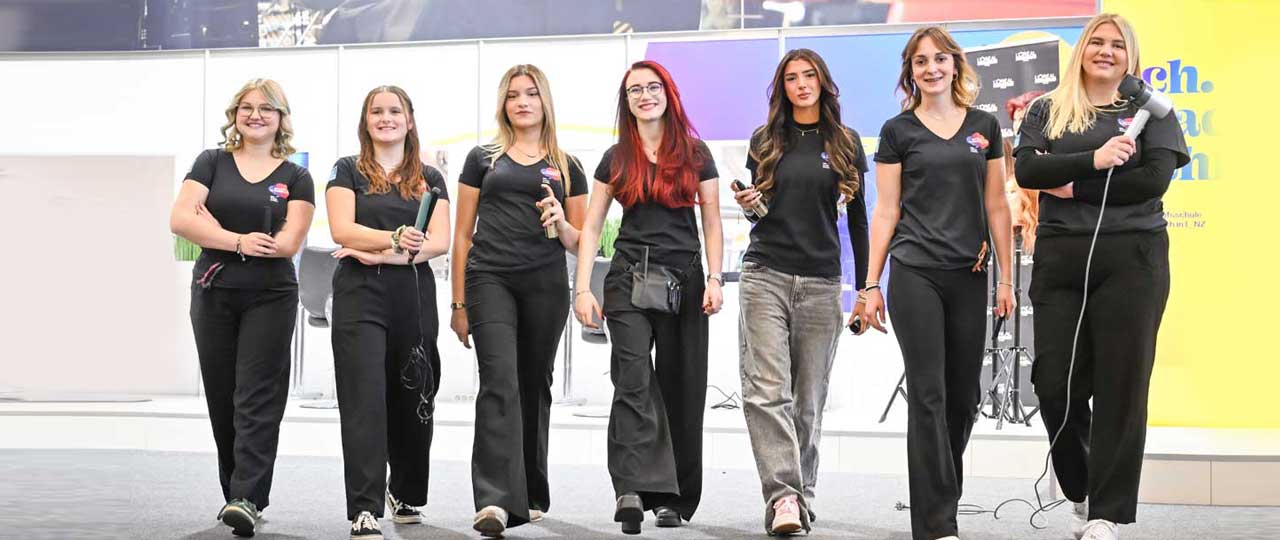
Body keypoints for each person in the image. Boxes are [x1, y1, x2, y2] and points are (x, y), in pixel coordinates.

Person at [1013, 13, 1189, 540]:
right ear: (1082, 49)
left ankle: (1106, 513)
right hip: (1061, 258)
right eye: (1097, 42)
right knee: (1053, 384)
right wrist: (1094, 159)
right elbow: (1028, 171)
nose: (1106, 51)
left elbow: (1152, 181)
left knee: (1121, 386)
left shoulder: (1153, 112)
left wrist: (1071, 185)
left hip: (1134, 258)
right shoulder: (1047, 109)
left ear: (1130, 56)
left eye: (1117, 44)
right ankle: (1082, 486)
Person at [860, 26, 1015, 540]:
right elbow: (886, 210)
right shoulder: (897, 131)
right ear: (911, 72)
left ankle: (941, 491)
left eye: (939, 59)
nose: (931, 68)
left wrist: (1005, 279)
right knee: (928, 393)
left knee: (963, 398)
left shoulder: (985, 126)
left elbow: (997, 205)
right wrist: (871, 284)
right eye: (920, 61)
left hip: (969, 275)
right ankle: (936, 522)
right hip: (914, 273)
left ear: (955, 65)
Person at [573, 60, 723, 535]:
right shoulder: (616, 158)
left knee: (682, 385)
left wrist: (716, 278)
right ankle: (632, 489)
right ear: (627, 101)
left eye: (652, 87)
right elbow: (592, 226)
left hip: (685, 282)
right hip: (627, 278)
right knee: (633, 379)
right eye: (634, 90)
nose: (644, 95)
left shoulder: (696, 154)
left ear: (668, 93)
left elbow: (712, 221)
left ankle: (673, 497)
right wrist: (582, 288)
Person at [169, 78, 315, 538]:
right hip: (214, 291)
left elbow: (288, 242)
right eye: (246, 107)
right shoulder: (210, 162)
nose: (256, 115)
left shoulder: (296, 177)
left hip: (271, 295)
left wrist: (213, 227)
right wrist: (238, 240)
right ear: (235, 115)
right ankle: (235, 489)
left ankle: (247, 496)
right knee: (223, 395)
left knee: (257, 395)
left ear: (281, 118)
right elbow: (180, 219)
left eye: (266, 108)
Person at [732, 48, 869, 535]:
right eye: (791, 78)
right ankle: (784, 496)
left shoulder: (846, 142)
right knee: (766, 391)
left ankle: (801, 493)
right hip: (764, 274)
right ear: (782, 88)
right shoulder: (764, 140)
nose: (801, 84)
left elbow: (858, 222)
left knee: (808, 398)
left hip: (821, 282)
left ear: (823, 82)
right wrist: (749, 204)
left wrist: (865, 288)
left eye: (809, 75)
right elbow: (761, 214)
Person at [449, 64, 588, 538]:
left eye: (531, 94)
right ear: (503, 104)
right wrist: (458, 304)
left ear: (545, 101)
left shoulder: (568, 166)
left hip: (545, 284)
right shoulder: (482, 159)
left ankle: (530, 490)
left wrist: (561, 222)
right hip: (490, 278)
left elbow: (581, 240)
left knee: (533, 384)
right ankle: (493, 498)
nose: (522, 102)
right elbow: (462, 235)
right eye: (513, 95)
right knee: (499, 381)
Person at [326, 85, 451, 540]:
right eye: (376, 111)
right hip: (359, 295)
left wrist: (379, 254)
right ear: (366, 122)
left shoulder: (430, 178)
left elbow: (439, 242)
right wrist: (396, 240)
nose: (386, 118)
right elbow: (342, 229)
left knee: (414, 395)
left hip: (412, 293)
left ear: (409, 120)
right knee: (364, 399)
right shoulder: (347, 170)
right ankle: (364, 507)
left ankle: (405, 491)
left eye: (394, 111)